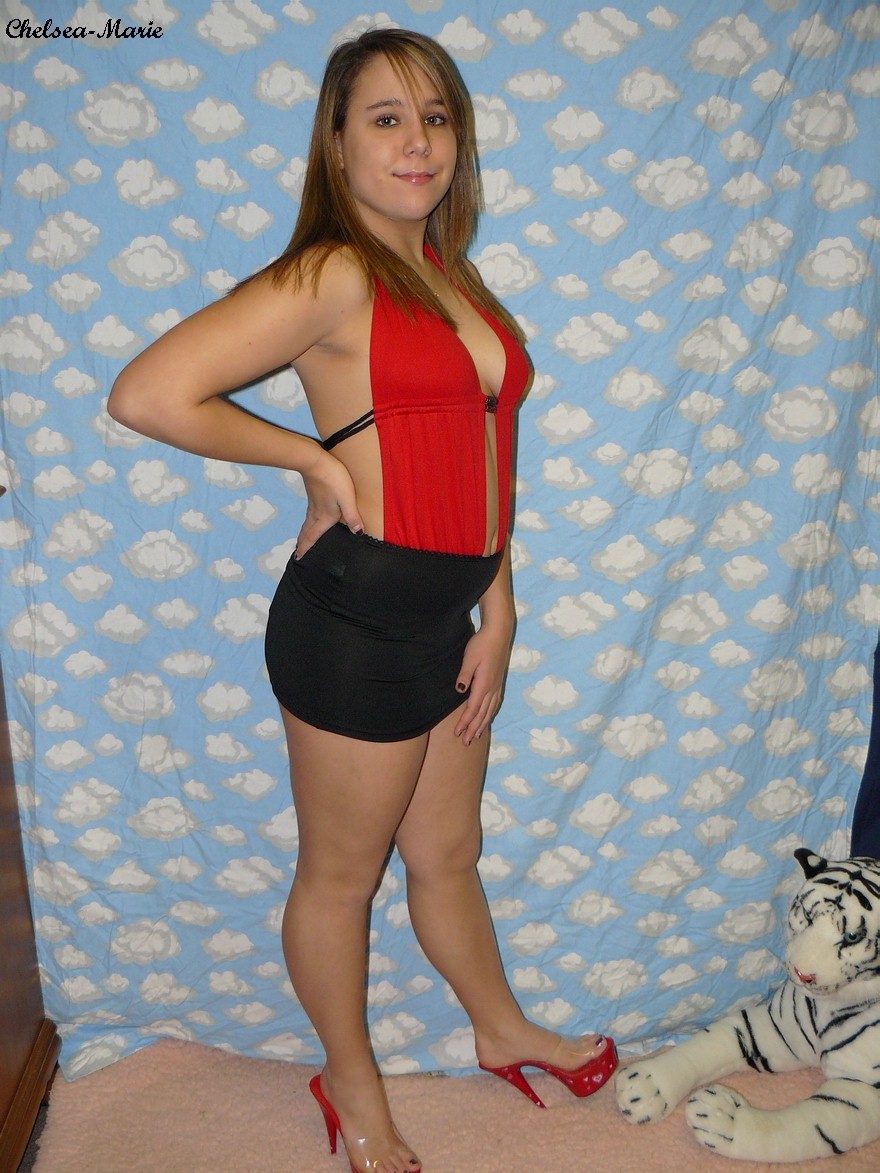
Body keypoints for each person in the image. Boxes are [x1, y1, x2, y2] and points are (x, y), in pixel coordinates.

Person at [109, 28, 617, 1173]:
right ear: (336, 145)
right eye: (386, 117)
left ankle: (500, 1029)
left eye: (436, 117)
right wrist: (311, 459)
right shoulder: (334, 272)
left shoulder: (451, 276)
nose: (417, 140)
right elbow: (148, 393)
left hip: (447, 617)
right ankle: (350, 1087)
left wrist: (500, 612)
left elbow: (489, 455)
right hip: (354, 622)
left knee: (448, 854)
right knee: (340, 881)